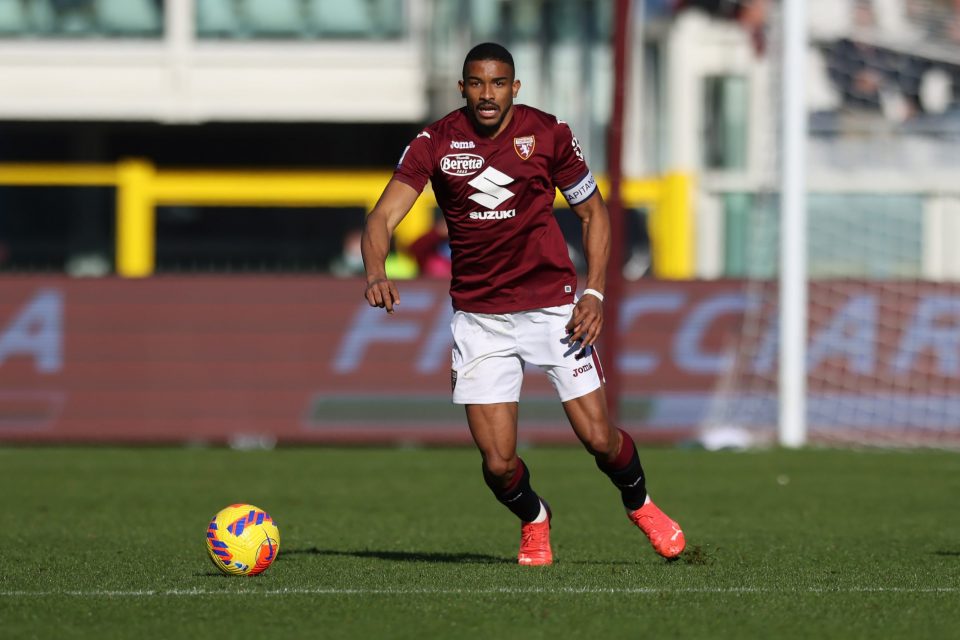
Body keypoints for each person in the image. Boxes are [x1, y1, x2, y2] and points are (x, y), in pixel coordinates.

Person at [361, 42, 685, 566]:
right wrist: (376, 270)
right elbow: (382, 219)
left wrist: (595, 292)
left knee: (600, 439)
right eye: (476, 83)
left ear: (515, 87)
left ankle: (640, 503)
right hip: (479, 319)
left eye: (497, 84)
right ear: (462, 88)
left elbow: (594, 215)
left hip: (553, 310)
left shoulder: (549, 134)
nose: (486, 95)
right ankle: (535, 517)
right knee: (497, 463)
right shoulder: (434, 142)